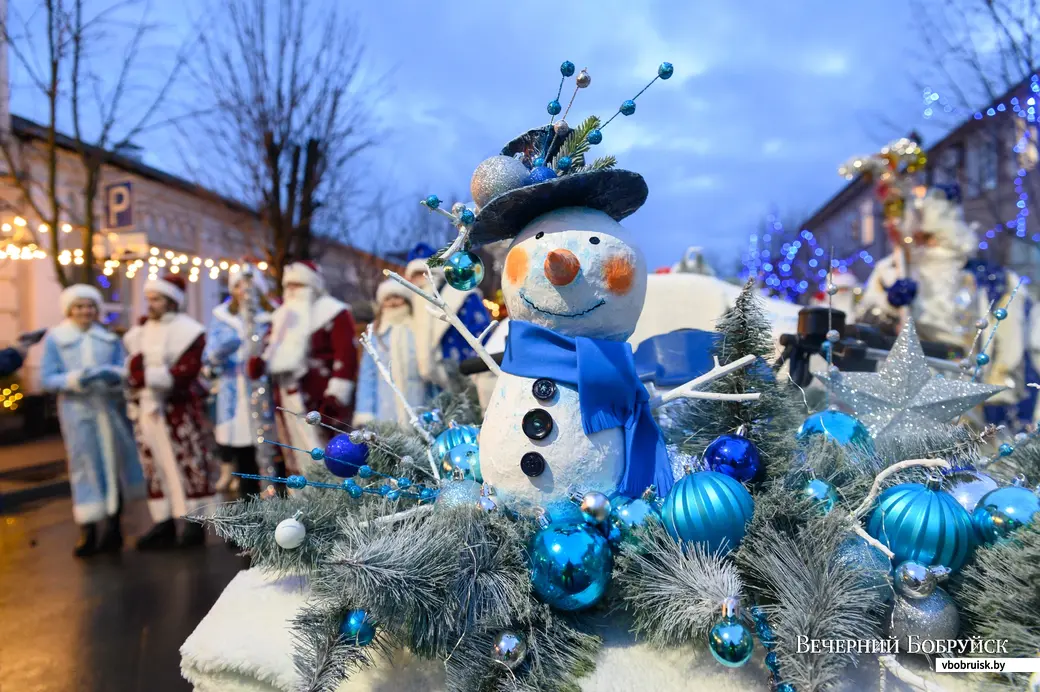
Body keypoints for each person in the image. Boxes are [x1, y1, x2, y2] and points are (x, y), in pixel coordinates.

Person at [857, 186, 1024, 406]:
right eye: (919, 237)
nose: (926, 245)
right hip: (904, 392)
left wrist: (999, 392)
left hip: (969, 393)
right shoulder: (890, 272)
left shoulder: (993, 280)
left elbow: (1010, 342)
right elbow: (863, 328)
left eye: (932, 236)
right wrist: (888, 305)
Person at [39, 285, 144, 557]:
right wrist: (74, 379)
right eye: (79, 306)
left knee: (114, 464)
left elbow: (125, 372)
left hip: (109, 410)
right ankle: (88, 528)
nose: (85, 311)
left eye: (90, 306)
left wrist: (112, 375)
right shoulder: (56, 339)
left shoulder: (108, 339)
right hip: (77, 413)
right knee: (84, 467)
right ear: (69, 310)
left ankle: (113, 527)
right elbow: (47, 378)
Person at [124, 274, 218, 550]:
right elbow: (131, 370)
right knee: (155, 465)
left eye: (157, 299)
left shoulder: (189, 331)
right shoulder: (137, 334)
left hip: (178, 407)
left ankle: (193, 522)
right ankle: (163, 520)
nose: (151, 304)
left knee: (186, 462)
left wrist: (146, 375)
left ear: (171, 301)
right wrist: (138, 377)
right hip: (147, 408)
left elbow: (185, 373)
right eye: (149, 299)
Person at [248, 261, 358, 468]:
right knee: (295, 455)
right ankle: (301, 497)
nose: (291, 291)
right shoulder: (281, 317)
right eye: (288, 286)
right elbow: (270, 349)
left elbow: (346, 357)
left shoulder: (333, 312)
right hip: (286, 398)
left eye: (297, 285)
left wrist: (335, 397)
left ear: (312, 286)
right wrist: (261, 363)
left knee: (328, 456)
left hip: (320, 400)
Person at [204, 268, 273, 497]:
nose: (242, 290)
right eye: (237, 285)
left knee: (271, 454)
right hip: (234, 397)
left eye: (247, 285)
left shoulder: (271, 316)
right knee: (244, 457)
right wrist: (221, 352)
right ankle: (248, 508)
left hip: (264, 394)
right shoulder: (222, 317)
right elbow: (209, 358)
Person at [405, 243, 491, 392]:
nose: (418, 280)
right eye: (414, 276)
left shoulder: (461, 297)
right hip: (430, 385)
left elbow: (480, 332)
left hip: (466, 374)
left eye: (422, 273)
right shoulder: (411, 306)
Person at [353, 279, 423, 427]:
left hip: (419, 400)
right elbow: (367, 375)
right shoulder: (376, 335)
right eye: (388, 299)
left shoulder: (417, 330)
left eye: (397, 297)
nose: (392, 303)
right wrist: (365, 412)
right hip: (385, 407)